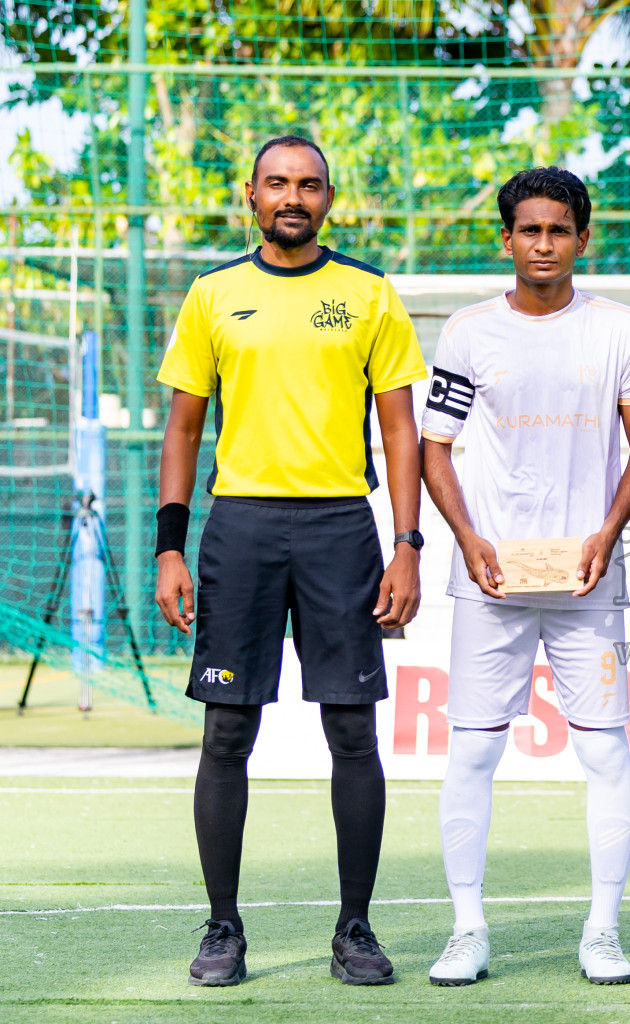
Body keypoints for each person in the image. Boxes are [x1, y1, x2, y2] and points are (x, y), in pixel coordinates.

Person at [153, 135, 426, 987]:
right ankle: (224, 928)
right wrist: (169, 546)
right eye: (277, 183)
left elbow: (401, 428)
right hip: (239, 529)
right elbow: (184, 428)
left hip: (342, 528)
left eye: (308, 184)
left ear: (330, 198)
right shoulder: (213, 294)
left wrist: (408, 543)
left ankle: (355, 929)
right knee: (227, 729)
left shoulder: (369, 293)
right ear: (252, 195)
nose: (292, 196)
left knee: (352, 728)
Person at [419, 167, 630, 987]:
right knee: (474, 752)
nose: (544, 244)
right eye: (530, 230)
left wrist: (607, 532)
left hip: (586, 577)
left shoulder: (620, 330)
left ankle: (603, 930)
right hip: (491, 578)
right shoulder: (468, 332)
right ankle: (467, 928)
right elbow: (434, 449)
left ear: (582, 238)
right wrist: (469, 537)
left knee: (603, 751)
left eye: (560, 230)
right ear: (507, 239)